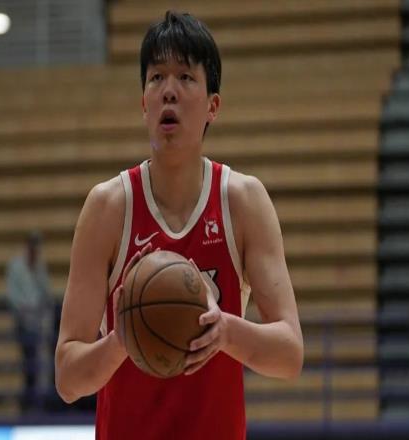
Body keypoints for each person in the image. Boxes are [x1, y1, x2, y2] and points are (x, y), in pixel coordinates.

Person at [55, 10, 303, 439]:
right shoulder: (107, 208)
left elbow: (290, 353)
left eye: (185, 77)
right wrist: (121, 340)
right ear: (143, 104)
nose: (168, 90)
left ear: (213, 106)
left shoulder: (242, 201)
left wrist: (226, 331)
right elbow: (67, 378)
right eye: (156, 78)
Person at [6, 230, 53, 411]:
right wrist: (24, 308)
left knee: (38, 362)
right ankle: (27, 401)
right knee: (28, 360)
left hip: (38, 322)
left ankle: (35, 401)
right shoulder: (16, 266)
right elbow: (12, 294)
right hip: (23, 322)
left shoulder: (40, 267)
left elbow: (45, 291)